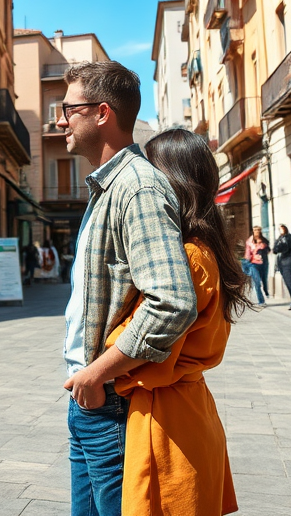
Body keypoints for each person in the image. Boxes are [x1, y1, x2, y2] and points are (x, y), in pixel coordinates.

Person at [58, 61, 197, 516]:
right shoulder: (108, 189)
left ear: (101, 113)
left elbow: (173, 303)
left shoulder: (136, 188)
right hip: (92, 400)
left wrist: (97, 375)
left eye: (68, 109)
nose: (60, 119)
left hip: (111, 403)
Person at [102, 129, 247, 516]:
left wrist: (98, 369)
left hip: (168, 422)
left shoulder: (187, 257)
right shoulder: (204, 249)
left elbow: (142, 345)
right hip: (191, 411)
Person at [273, 224, 291, 310]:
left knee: (289, 283)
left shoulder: (285, 238)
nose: (280, 231)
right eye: (279, 229)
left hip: (287, 264)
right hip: (288, 264)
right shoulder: (288, 238)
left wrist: (278, 243)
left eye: (281, 229)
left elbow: (276, 249)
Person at [243, 227, 267, 305]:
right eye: (255, 230)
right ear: (253, 231)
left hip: (263, 264)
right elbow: (247, 253)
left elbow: (268, 250)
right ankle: (261, 301)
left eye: (258, 230)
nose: (257, 232)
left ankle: (266, 293)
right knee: (257, 283)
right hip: (254, 264)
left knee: (264, 281)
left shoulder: (264, 241)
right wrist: (247, 261)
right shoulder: (249, 241)